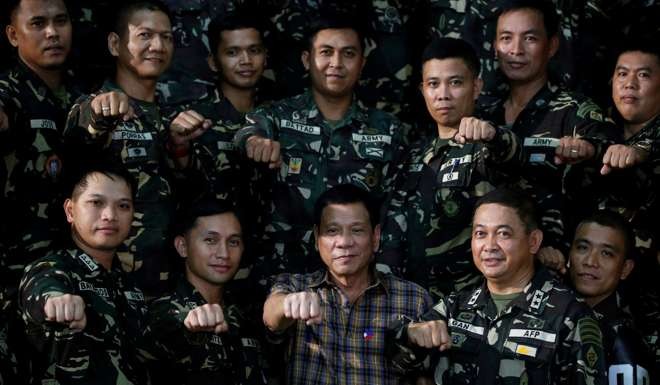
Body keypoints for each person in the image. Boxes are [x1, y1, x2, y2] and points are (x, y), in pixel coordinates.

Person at [233, 17, 406, 283]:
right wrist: (254, 143)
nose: (336, 64)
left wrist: (384, 277)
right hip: (280, 278)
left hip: (354, 282)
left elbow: (394, 212)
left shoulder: (388, 131)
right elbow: (246, 135)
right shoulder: (277, 116)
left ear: (362, 64)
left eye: (348, 54)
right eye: (326, 52)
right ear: (306, 60)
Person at [391, 187, 607, 385]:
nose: (489, 246)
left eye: (504, 233)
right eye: (480, 233)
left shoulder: (570, 315)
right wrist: (410, 337)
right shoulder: (453, 308)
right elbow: (394, 364)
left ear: (533, 241)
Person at [63, 0, 206, 297]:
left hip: (167, 285)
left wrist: (180, 150)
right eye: (145, 35)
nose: (157, 45)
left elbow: (194, 198)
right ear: (116, 44)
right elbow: (78, 149)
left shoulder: (176, 119)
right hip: (106, 285)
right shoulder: (91, 106)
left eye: (166, 37)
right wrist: (100, 114)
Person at [476, 0, 618, 266]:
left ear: (551, 46)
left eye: (529, 38)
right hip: (488, 266)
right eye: (506, 38)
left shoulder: (575, 109)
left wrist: (588, 150)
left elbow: (610, 149)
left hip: (555, 268)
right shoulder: (482, 113)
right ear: (495, 47)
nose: (516, 50)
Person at [380, 37, 520, 300]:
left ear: (476, 86)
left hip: (470, 306)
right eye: (433, 84)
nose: (443, 94)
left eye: (455, 82)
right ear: (423, 90)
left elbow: (512, 153)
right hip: (410, 302)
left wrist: (490, 134)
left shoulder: (485, 145)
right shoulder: (413, 155)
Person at [262, 184, 434, 385]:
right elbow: (271, 316)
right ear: (317, 238)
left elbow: (427, 377)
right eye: (332, 231)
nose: (344, 241)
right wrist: (287, 304)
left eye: (357, 230)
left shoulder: (413, 299)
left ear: (375, 237)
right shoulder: (295, 286)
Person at [18, 162, 148, 385]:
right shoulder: (51, 268)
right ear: (70, 211)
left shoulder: (129, 284)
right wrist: (56, 303)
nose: (110, 215)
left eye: (123, 206)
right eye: (96, 203)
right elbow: (44, 291)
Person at [144, 200, 267, 385]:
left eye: (233, 242)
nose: (224, 253)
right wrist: (189, 326)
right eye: (211, 240)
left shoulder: (246, 315)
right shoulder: (160, 313)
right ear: (182, 247)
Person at [1, 0, 82, 277]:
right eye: (38, 23)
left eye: (61, 21)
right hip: (14, 268)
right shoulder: (8, 92)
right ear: (13, 35)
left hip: (76, 266)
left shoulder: (81, 94)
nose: (52, 33)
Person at [568, 211, 653, 385]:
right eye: (583, 247)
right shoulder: (549, 310)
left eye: (606, 253)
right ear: (569, 254)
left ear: (625, 269)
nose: (591, 261)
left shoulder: (628, 341)